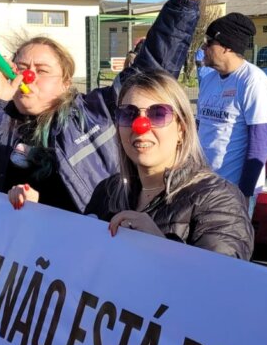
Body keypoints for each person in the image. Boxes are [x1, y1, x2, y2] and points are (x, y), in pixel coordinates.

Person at [0, 0, 208, 212]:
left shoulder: (97, 110)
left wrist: (184, 2)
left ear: (66, 83)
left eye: (41, 70)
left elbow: (154, 65)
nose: (27, 77)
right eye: (20, 69)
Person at [84, 71, 254, 259]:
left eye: (158, 114)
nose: (140, 126)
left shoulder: (219, 201)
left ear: (181, 128)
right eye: (128, 114)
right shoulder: (107, 191)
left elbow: (221, 281)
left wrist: (160, 247)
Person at [197, 12, 267, 211]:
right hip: (202, 182)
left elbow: (261, 142)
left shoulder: (252, 81)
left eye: (210, 42)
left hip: (232, 190)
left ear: (227, 46)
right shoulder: (208, 79)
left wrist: (244, 193)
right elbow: (200, 129)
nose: (204, 47)